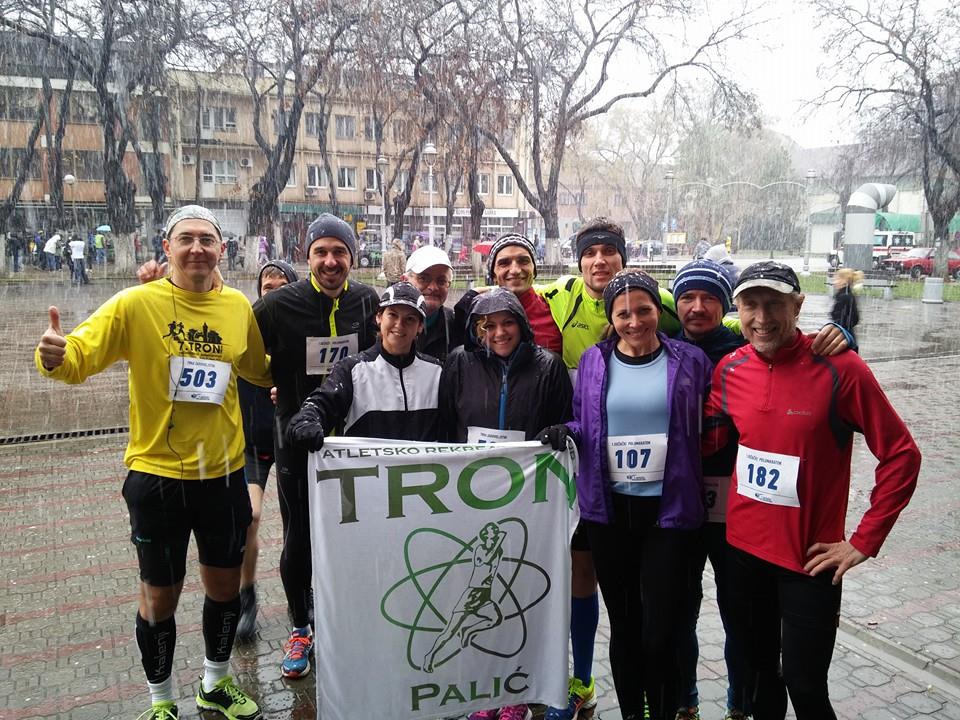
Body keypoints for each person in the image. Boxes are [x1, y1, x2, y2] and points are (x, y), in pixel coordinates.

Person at [35, 205, 270, 720]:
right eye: (186, 239)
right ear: (167, 248)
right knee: (160, 598)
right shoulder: (136, 303)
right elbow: (78, 357)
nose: (197, 248)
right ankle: (161, 700)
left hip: (223, 476)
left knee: (224, 589)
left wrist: (301, 378)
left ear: (221, 249)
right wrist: (54, 355)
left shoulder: (236, 307)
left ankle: (215, 682)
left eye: (206, 239)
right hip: (158, 478)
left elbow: (258, 368)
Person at [703, 261, 921, 720]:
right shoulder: (729, 369)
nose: (762, 317)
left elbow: (902, 455)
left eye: (775, 304)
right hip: (742, 554)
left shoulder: (841, 368)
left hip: (810, 561)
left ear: (798, 306)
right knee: (759, 678)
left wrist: (863, 541)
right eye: (751, 305)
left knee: (805, 686)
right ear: (737, 310)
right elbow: (705, 438)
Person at [541, 271, 712, 720]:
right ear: (611, 318)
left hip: (668, 512)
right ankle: (633, 712)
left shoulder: (690, 360)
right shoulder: (594, 361)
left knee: (660, 629)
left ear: (658, 311)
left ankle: (664, 710)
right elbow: (586, 422)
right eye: (623, 314)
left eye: (644, 311)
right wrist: (566, 431)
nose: (635, 322)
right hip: (610, 512)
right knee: (624, 626)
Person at [252, 213, 380, 678]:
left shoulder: (367, 300)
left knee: (354, 532)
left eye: (339, 252)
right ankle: (300, 626)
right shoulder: (278, 305)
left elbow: (382, 355)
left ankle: (347, 617)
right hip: (296, 441)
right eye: (321, 252)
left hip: (352, 439)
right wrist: (273, 389)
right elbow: (243, 357)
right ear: (307, 257)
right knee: (300, 536)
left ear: (352, 257)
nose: (330, 261)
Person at [438, 288, 572, 720]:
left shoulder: (548, 366)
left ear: (522, 324)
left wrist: (561, 431)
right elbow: (445, 426)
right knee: (472, 599)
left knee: (519, 593)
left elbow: (567, 420)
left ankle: (518, 690)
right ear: (476, 330)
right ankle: (482, 690)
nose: (499, 333)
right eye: (488, 326)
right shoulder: (459, 363)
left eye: (507, 322)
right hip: (470, 497)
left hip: (527, 500)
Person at [284, 281, 441, 447]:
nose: (399, 325)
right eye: (392, 315)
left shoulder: (438, 371)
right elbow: (321, 404)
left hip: (425, 465)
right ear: (379, 317)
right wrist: (307, 421)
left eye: (410, 319)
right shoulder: (351, 369)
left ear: (420, 326)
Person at [236, 260, 299, 640]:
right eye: (267, 287)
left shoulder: (301, 334)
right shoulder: (246, 330)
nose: (273, 293)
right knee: (250, 517)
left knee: (300, 524)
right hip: (254, 443)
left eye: (282, 286)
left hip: (293, 441)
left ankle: (301, 595)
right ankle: (246, 597)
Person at [455, 233, 562, 354]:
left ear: (534, 270)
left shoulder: (556, 310)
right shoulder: (479, 315)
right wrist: (472, 294)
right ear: (493, 275)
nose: (515, 270)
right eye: (504, 263)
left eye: (523, 261)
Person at [405, 245, 457, 362]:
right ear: (405, 280)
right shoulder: (388, 322)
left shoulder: (456, 325)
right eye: (423, 278)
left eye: (441, 281)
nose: (433, 287)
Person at [830, 267, 862, 344]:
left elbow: (840, 318)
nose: (834, 282)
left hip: (842, 337)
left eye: (837, 279)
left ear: (845, 281)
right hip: (847, 335)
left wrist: (840, 329)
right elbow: (855, 318)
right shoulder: (847, 295)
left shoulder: (844, 297)